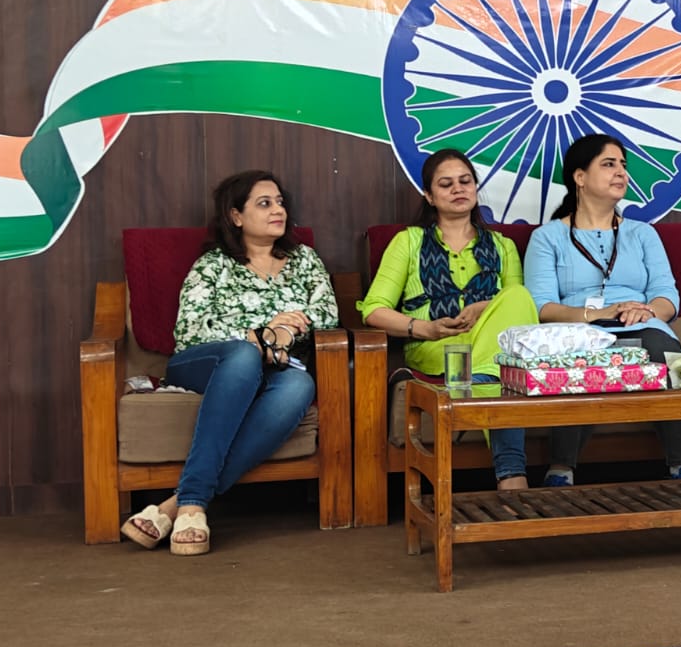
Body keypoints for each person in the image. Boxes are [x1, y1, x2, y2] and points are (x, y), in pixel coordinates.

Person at [121, 171, 337, 555]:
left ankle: (182, 503)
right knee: (243, 355)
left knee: (300, 386)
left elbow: (327, 313)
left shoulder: (304, 259)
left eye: (280, 202)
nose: (277, 210)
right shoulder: (214, 265)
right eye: (264, 203)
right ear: (236, 216)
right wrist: (262, 335)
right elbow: (191, 329)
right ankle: (191, 500)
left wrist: (286, 335)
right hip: (206, 364)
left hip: (278, 369)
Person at [523, 134, 681, 486]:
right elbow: (542, 306)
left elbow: (667, 295)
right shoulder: (548, 237)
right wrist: (596, 315)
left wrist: (647, 311)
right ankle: (561, 467)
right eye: (608, 164)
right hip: (580, 329)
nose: (621, 172)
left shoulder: (642, 234)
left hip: (641, 324)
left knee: (663, 349)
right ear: (580, 177)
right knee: (576, 356)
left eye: (623, 165)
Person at [358, 149, 538, 489]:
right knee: (506, 371)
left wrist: (484, 307)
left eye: (465, 181)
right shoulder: (408, 242)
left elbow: (518, 309)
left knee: (517, 296)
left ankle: (480, 383)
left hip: (490, 349)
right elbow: (373, 310)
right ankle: (512, 475)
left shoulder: (502, 246)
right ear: (429, 196)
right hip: (439, 350)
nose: (458, 189)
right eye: (446, 184)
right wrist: (426, 328)